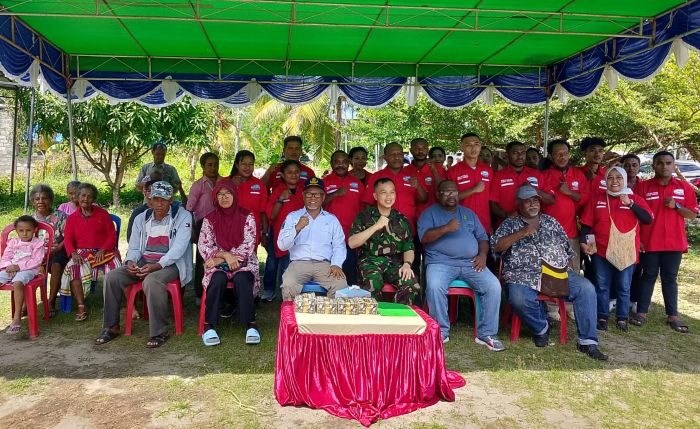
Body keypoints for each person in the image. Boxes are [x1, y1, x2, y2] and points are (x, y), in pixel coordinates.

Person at [491, 185, 608, 361]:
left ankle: (587, 341)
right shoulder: (510, 224)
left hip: (556, 273)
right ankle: (541, 327)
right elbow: (496, 246)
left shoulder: (551, 221)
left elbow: (567, 249)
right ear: (518, 204)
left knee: (586, 288)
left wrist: (565, 268)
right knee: (518, 298)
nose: (533, 204)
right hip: (522, 275)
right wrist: (521, 233)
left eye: (535, 200)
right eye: (528, 201)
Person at [95, 181, 193, 348]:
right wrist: (131, 262)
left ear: (171, 200)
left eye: (164, 199)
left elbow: (179, 249)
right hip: (144, 261)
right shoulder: (141, 218)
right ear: (149, 199)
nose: (159, 203)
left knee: (152, 280)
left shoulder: (183, 216)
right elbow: (134, 247)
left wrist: (157, 265)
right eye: (156, 199)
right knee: (112, 277)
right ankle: (111, 327)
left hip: (170, 264)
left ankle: (160, 332)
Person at [418, 180, 504, 350]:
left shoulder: (468, 213)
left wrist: (482, 255)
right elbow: (424, 238)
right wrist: (446, 228)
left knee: (493, 286)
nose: (451, 195)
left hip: (471, 263)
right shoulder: (429, 214)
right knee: (434, 286)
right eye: (446, 192)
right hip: (440, 262)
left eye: (454, 192)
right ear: (438, 195)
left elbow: (482, 238)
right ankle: (441, 332)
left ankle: (487, 333)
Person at [579, 167, 653, 332]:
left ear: (625, 180)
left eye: (619, 177)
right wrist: (584, 241)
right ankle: (602, 316)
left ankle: (622, 318)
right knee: (602, 285)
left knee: (623, 286)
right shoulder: (597, 199)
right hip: (601, 251)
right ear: (605, 180)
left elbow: (648, 219)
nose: (614, 181)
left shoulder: (635, 199)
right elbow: (586, 224)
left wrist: (631, 204)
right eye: (610, 177)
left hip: (626, 251)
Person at [633, 151, 699, 332]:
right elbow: (635, 216)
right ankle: (641, 313)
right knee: (648, 276)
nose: (664, 166)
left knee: (670, 278)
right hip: (649, 242)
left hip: (674, 243)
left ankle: (673, 316)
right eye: (660, 163)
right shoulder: (642, 187)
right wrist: (638, 240)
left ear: (674, 166)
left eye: (668, 163)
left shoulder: (684, 188)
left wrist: (676, 206)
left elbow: (692, 214)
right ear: (653, 166)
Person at [198, 178, 260, 346]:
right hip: (218, 263)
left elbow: (249, 244)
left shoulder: (247, 216)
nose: (224, 197)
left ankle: (251, 324)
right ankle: (209, 325)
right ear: (215, 197)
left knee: (242, 279)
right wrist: (225, 256)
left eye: (228, 193)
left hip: (243, 261)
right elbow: (204, 245)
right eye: (220, 194)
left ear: (234, 195)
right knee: (217, 279)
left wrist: (226, 257)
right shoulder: (210, 219)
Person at [350, 178, 419, 304]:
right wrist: (376, 226)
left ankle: (397, 314)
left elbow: (408, 247)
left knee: (411, 283)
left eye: (392, 192)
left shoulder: (401, 219)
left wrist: (407, 264)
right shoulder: (364, 216)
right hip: (369, 262)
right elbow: (352, 243)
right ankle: (375, 315)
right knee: (373, 283)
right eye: (383, 192)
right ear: (375, 196)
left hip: (394, 264)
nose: (388, 196)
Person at [278, 177, 347, 300]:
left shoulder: (331, 219)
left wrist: (336, 264)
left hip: (324, 265)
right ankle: (293, 312)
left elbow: (339, 245)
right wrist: (297, 228)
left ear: (323, 197)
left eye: (317, 195)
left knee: (340, 284)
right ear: (303, 196)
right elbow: (282, 245)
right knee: (288, 283)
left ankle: (330, 311)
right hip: (299, 263)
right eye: (309, 194)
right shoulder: (293, 217)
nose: (313, 198)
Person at [62, 183, 121, 322]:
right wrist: (73, 253)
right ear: (77, 197)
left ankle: (115, 303)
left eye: (89, 196)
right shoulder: (72, 218)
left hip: (104, 250)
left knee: (116, 268)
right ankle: (81, 306)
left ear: (93, 199)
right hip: (81, 252)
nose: (86, 199)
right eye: (83, 195)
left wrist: (103, 249)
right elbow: (68, 240)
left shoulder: (103, 214)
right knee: (74, 267)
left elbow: (112, 235)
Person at [540, 139, 590, 273]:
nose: (562, 157)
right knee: (550, 273)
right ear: (550, 156)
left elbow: (586, 199)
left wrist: (569, 192)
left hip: (572, 234)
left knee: (573, 272)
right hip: (549, 235)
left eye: (565, 153)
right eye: (558, 154)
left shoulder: (578, 174)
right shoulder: (543, 176)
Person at [262, 159, 305, 300]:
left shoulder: (304, 190)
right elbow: (271, 215)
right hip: (281, 233)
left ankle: (288, 293)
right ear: (283, 175)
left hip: (300, 234)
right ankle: (271, 290)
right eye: (289, 172)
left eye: (296, 172)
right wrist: (280, 199)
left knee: (292, 262)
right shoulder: (278, 190)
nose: (293, 175)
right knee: (276, 262)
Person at [363, 142, 427, 235]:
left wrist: (418, 187)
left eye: (399, 154)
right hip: (383, 232)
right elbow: (368, 204)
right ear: (385, 157)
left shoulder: (413, 175)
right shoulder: (376, 177)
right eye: (392, 154)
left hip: (408, 229)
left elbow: (424, 199)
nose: (396, 157)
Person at [323, 150, 365, 285]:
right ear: (331, 163)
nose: (340, 165)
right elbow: (316, 204)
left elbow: (363, 208)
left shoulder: (357, 183)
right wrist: (335, 194)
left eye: (344, 162)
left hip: (351, 236)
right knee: (329, 273)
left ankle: (349, 295)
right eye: (337, 162)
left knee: (350, 272)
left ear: (349, 163)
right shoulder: (323, 182)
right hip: (329, 237)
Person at [490, 141, 553, 227]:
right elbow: (492, 204)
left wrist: (533, 189)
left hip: (534, 226)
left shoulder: (537, 174)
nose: (520, 156)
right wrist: (506, 215)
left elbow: (551, 200)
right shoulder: (498, 176)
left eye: (523, 152)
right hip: (507, 226)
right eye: (515, 153)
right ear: (507, 155)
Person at [1, 216, 45, 335]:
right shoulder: (13, 242)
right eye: (21, 230)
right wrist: (10, 266)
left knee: (17, 283)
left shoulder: (38, 243)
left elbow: (36, 261)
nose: (25, 233)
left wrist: (18, 267)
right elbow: (5, 257)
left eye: (28, 230)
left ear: (35, 229)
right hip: (11, 268)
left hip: (29, 270)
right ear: (16, 230)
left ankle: (17, 317)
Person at [30, 184, 68, 317]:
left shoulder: (61, 216)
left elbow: (68, 237)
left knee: (56, 266)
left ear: (50, 200)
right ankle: (25, 303)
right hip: (37, 253)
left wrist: (57, 248)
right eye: (37, 199)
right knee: (26, 267)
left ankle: (50, 302)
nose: (40, 201)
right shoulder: (30, 219)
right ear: (33, 201)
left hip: (58, 250)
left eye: (44, 198)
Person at [187, 152, 221, 301]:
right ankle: (200, 293)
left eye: (216, 164)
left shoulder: (224, 182)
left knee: (219, 257)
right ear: (203, 166)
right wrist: (192, 229)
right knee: (202, 258)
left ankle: (218, 292)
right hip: (202, 225)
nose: (213, 168)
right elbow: (189, 209)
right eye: (209, 165)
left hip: (222, 224)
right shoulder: (198, 185)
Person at [446, 133, 494, 233]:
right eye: (468, 145)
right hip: (461, 225)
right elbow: (448, 198)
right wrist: (473, 190)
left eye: (476, 144)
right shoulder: (453, 171)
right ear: (461, 147)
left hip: (484, 224)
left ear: (480, 146)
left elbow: (491, 199)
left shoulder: (488, 170)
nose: (473, 148)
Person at [230, 150, 268, 248]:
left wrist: (265, 233)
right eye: (244, 164)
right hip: (229, 233)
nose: (247, 167)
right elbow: (216, 204)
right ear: (237, 165)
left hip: (252, 234)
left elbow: (263, 212)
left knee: (250, 258)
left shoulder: (259, 185)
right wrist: (232, 186)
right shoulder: (226, 182)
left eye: (251, 164)